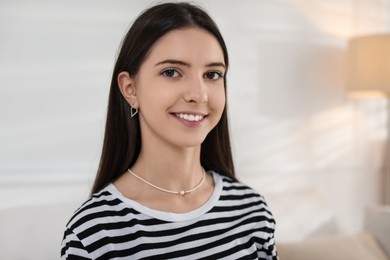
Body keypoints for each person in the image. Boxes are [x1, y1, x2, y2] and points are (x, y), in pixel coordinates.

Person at [61, 2, 278, 259]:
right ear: (130, 89)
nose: (199, 95)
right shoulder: (94, 232)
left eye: (212, 75)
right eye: (172, 72)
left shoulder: (252, 211)